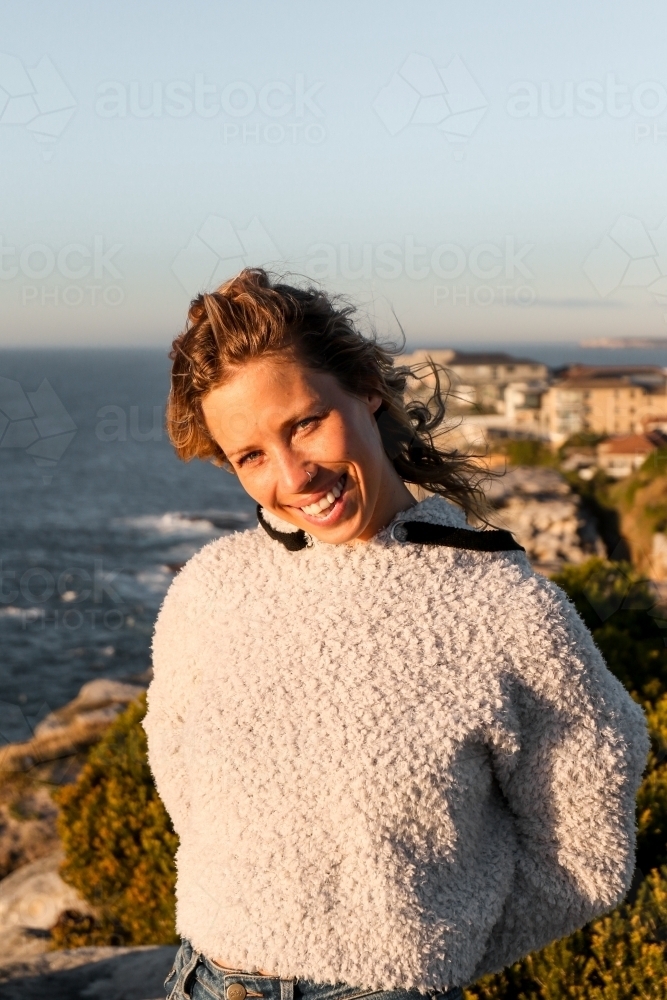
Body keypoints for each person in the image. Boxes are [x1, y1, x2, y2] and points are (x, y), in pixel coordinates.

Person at [143, 268, 649, 1000]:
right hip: (202, 982)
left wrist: (426, 958)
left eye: (305, 423)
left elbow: (585, 850)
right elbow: (183, 785)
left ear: (364, 387)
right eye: (251, 456)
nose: (293, 476)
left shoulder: (504, 608)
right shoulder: (208, 589)